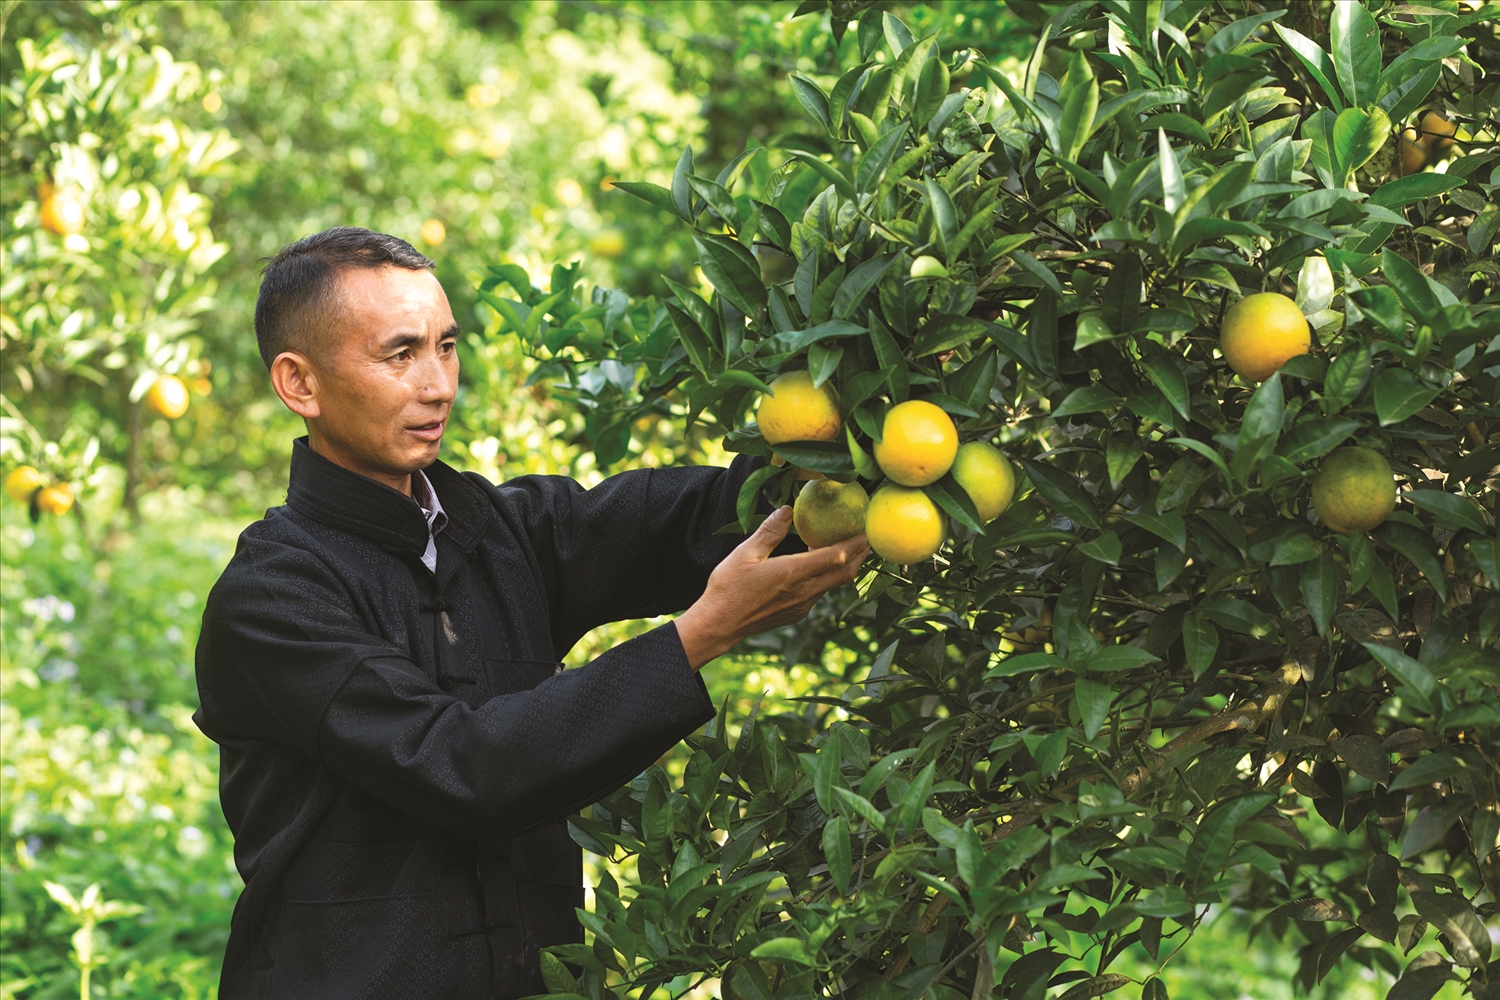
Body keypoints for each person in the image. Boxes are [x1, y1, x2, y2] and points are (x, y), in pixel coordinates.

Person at [193, 227, 869, 999]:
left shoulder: (503, 532)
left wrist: (860, 389)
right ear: (299, 383)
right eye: (400, 354)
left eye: (447, 347)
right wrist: (700, 635)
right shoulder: (272, 600)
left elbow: (718, 514)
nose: (439, 383)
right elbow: (461, 767)